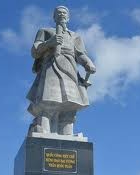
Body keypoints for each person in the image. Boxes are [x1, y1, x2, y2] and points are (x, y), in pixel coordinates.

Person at [27, 6, 96, 136]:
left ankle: (67, 135)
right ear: (54, 17)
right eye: (58, 13)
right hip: (51, 66)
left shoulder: (75, 36)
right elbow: (35, 51)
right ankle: (44, 131)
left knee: (69, 105)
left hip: (70, 69)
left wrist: (88, 63)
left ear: (68, 17)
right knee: (48, 101)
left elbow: (80, 54)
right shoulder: (45, 31)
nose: (62, 14)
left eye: (64, 13)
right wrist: (49, 43)